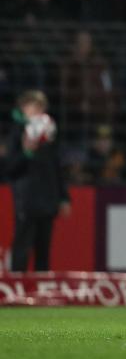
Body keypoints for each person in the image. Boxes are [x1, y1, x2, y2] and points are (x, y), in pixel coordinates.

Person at [6, 90, 70, 272]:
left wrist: (63, 197)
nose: (37, 110)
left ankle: (42, 291)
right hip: (26, 199)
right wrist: (26, 153)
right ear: (24, 107)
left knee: (43, 248)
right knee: (22, 246)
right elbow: (9, 168)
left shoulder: (48, 134)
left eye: (41, 107)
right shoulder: (17, 133)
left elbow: (56, 168)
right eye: (34, 106)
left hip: (47, 200)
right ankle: (17, 288)